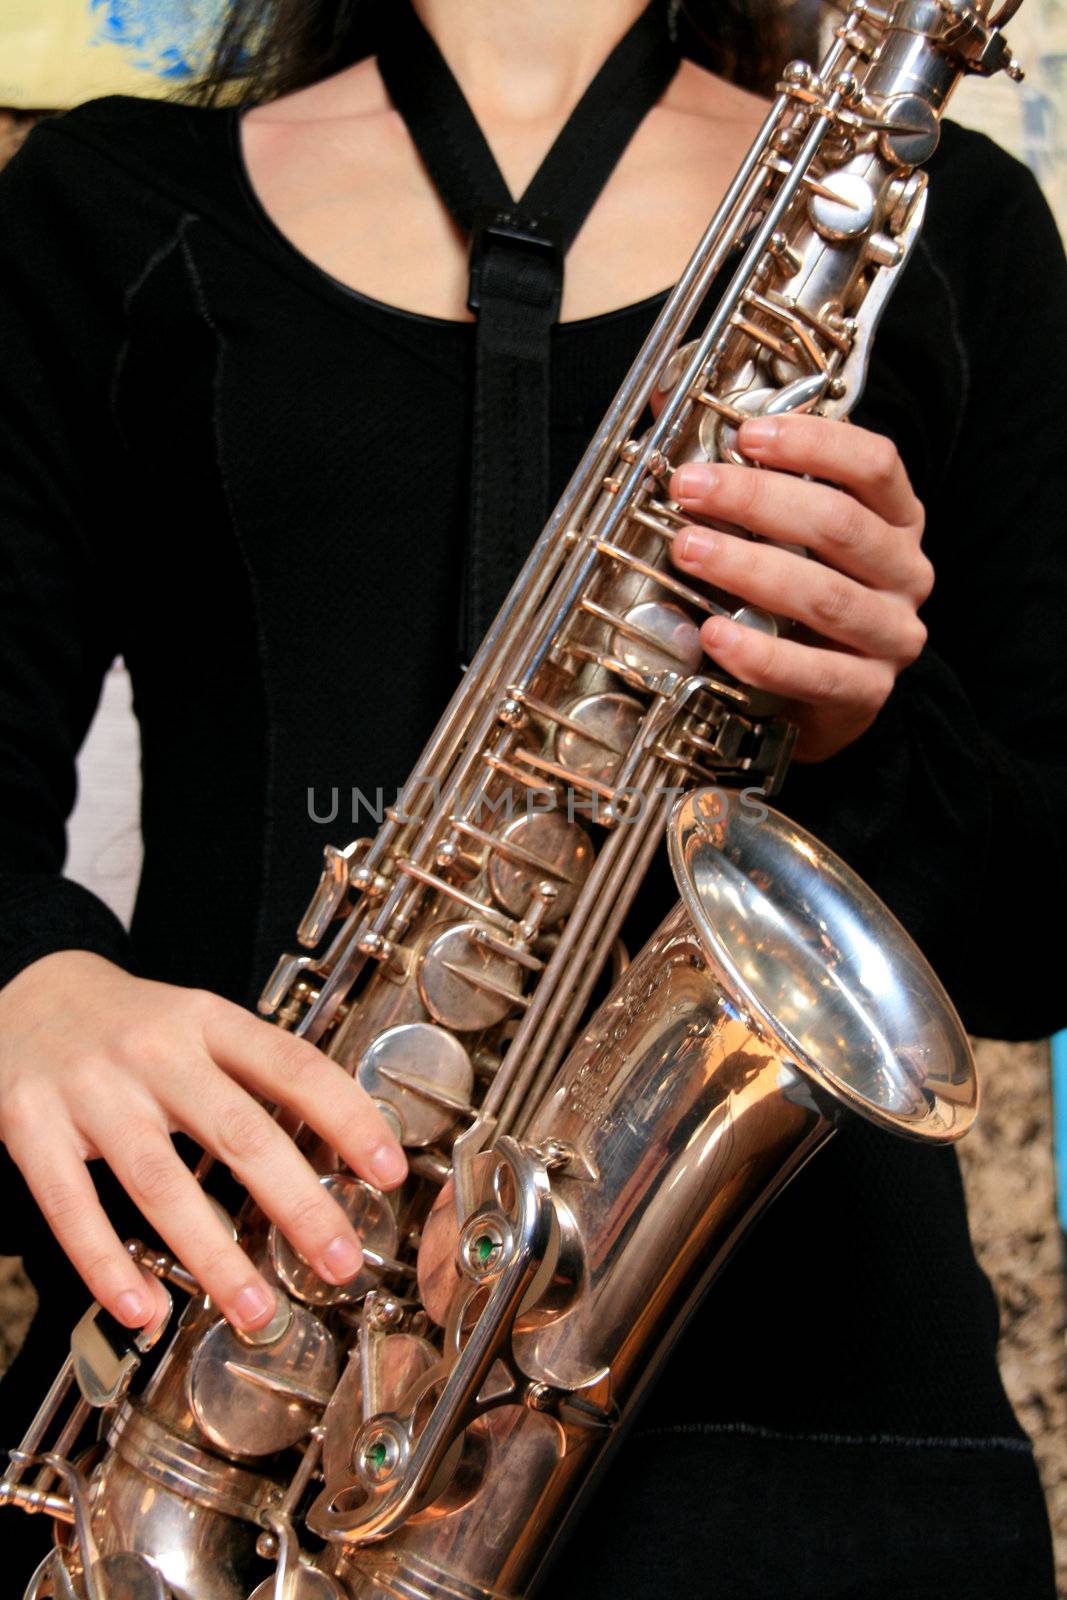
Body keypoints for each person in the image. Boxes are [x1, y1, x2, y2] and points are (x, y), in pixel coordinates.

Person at [0, 0, 1064, 1593]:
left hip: (821, 1484)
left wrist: (867, 724)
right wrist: (24, 980)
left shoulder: (956, 219)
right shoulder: (103, 204)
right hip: (223, 1432)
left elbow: (1045, 936)